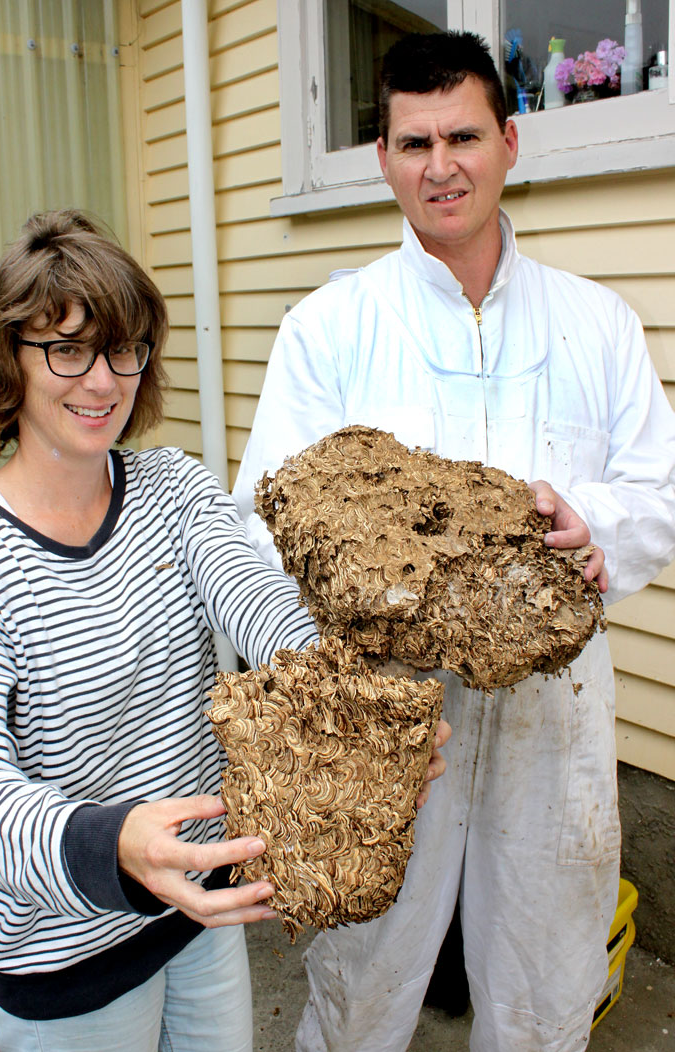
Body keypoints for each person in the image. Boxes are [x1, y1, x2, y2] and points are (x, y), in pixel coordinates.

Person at [0, 210, 451, 1052]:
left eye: (124, 350)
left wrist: (359, 709)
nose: (102, 381)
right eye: (67, 349)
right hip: (64, 960)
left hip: (201, 914)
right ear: (7, 360)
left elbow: (255, 600)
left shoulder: (170, 488)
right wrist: (111, 842)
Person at [233, 31, 675, 1052]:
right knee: (361, 981)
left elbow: (658, 488)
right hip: (387, 718)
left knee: (544, 977)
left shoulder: (593, 323)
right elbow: (263, 524)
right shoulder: (328, 328)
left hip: (551, 711)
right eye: (414, 140)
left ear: (509, 142)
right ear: (383, 155)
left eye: (463, 135)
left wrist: (591, 526)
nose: (441, 165)